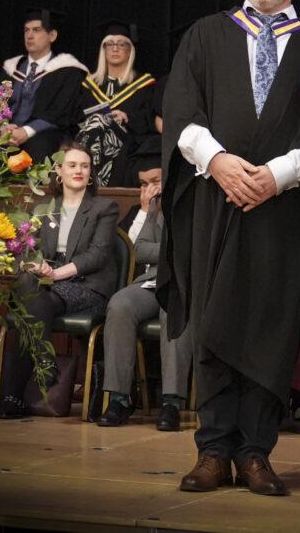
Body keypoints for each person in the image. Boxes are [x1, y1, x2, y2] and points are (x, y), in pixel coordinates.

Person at [160, 0, 300, 496]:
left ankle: (256, 452)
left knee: (272, 326)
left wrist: (279, 175)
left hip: (283, 211)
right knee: (213, 322)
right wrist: (217, 161)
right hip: (215, 201)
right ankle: (213, 451)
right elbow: (181, 111)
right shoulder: (206, 35)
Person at [0, 143, 119, 419]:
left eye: (85, 166)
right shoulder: (42, 207)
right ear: (59, 171)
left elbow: (98, 255)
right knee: (28, 289)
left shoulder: (104, 207)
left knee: (29, 307)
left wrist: (56, 274)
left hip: (86, 285)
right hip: (46, 285)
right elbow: (24, 249)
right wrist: (31, 263)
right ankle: (43, 358)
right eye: (72, 165)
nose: (79, 170)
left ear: (91, 173)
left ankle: (13, 395)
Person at [97, 157, 193, 431]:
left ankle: (171, 403)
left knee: (173, 308)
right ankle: (119, 399)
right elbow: (139, 249)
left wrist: (168, 254)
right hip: (153, 280)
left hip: (188, 285)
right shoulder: (158, 204)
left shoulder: (202, 203)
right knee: (120, 304)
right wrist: (173, 253)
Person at [0, 8, 88, 164]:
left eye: (36, 30)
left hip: (43, 134)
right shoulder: (12, 68)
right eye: (26, 30)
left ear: (52, 35)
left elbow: (61, 111)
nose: (29, 35)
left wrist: (26, 131)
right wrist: (4, 127)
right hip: (7, 132)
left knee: (39, 146)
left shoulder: (67, 70)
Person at [77, 20, 157, 187]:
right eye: (110, 44)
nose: (115, 48)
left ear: (130, 50)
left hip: (127, 140)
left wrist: (127, 117)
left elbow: (148, 119)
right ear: (103, 50)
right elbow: (76, 118)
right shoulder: (89, 84)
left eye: (121, 44)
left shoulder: (144, 84)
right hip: (91, 137)